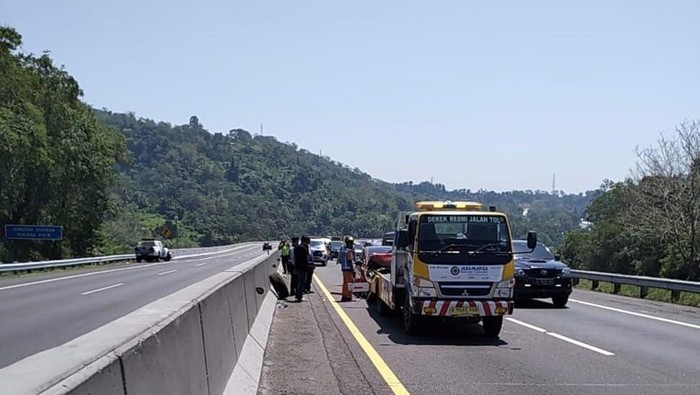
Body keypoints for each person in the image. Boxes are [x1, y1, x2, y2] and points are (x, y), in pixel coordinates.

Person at [293, 236, 310, 302]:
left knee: (299, 282)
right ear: (305, 241)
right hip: (303, 268)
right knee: (302, 282)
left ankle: (298, 295)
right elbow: (307, 256)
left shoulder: (296, 248)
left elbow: (294, 258)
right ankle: (299, 296)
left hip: (297, 267)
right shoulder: (303, 249)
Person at [338, 237, 355, 302]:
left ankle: (344, 296)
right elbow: (350, 259)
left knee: (345, 283)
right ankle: (348, 296)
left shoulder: (342, 248)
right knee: (349, 283)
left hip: (344, 268)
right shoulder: (349, 251)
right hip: (348, 268)